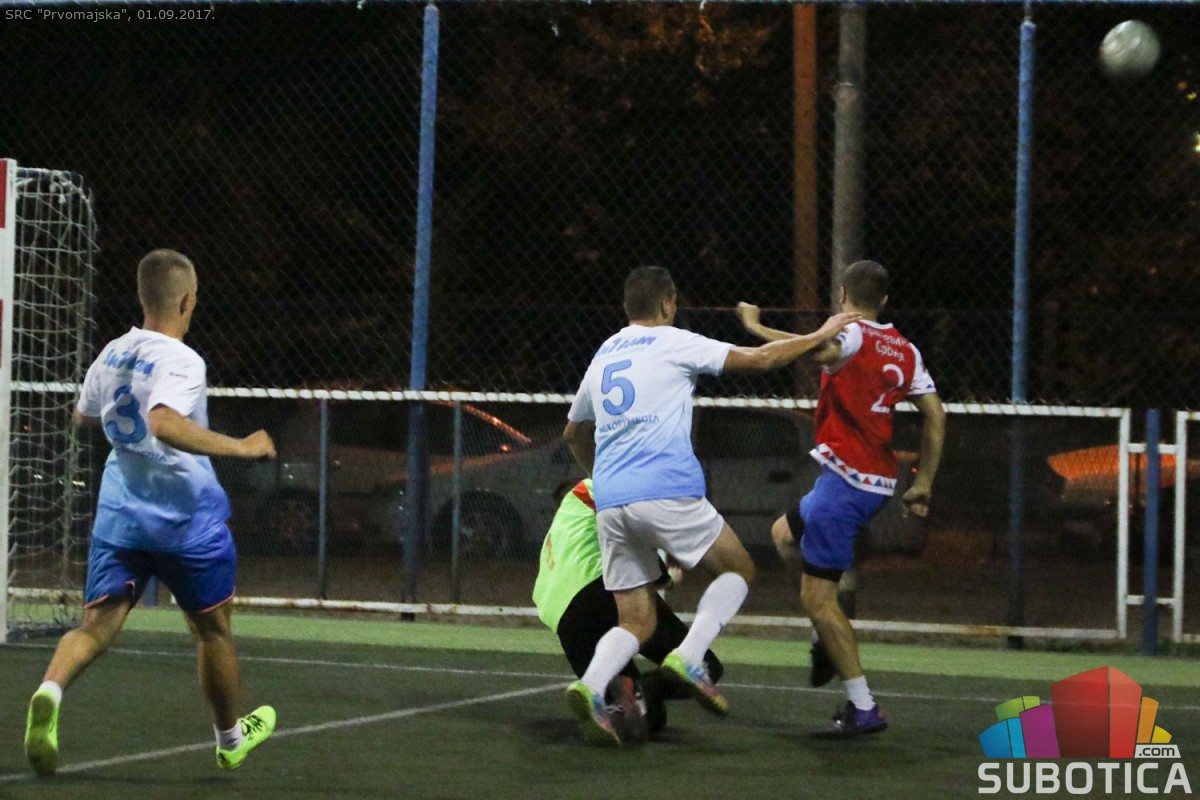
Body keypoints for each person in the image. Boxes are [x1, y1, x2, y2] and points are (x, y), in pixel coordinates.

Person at [562, 265, 859, 746]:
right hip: (665, 487)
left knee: (636, 620)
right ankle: (690, 655)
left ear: (627, 307)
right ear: (667, 304)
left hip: (611, 501)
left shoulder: (605, 352)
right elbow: (762, 359)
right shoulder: (674, 340)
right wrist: (821, 333)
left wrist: (603, 478)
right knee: (738, 568)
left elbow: (574, 433)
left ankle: (592, 685)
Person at [24, 249, 279, 776]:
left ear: (144, 298)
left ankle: (50, 689)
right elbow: (163, 422)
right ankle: (231, 740)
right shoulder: (183, 360)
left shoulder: (114, 351)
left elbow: (83, 416)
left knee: (96, 627)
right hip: (187, 523)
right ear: (186, 301)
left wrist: (128, 428)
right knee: (212, 632)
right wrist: (243, 447)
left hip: (121, 515)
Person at [739, 259, 946, 738]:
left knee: (819, 598)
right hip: (871, 481)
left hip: (846, 485)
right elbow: (936, 416)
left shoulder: (851, 334)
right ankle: (823, 638)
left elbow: (814, 350)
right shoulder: (906, 349)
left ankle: (863, 706)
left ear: (841, 295)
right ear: (885, 300)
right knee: (783, 535)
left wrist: (754, 326)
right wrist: (924, 483)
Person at [532, 478, 724, 741]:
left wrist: (663, 576)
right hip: (603, 592)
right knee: (706, 665)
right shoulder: (589, 487)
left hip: (568, 625)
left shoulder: (557, 537)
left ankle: (616, 696)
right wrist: (668, 575)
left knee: (651, 719)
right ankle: (640, 688)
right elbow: (635, 527)